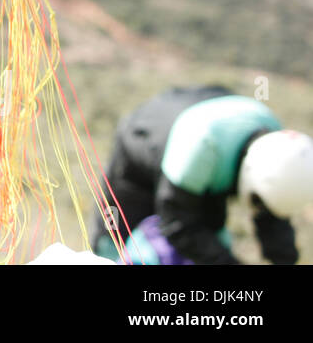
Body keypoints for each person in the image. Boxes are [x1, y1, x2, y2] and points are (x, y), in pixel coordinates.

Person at [90, 84, 313, 264]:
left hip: (204, 152)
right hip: (142, 149)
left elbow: (272, 217)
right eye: (258, 202)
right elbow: (177, 223)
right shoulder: (201, 146)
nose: (259, 208)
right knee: (114, 241)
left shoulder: (277, 151)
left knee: (209, 237)